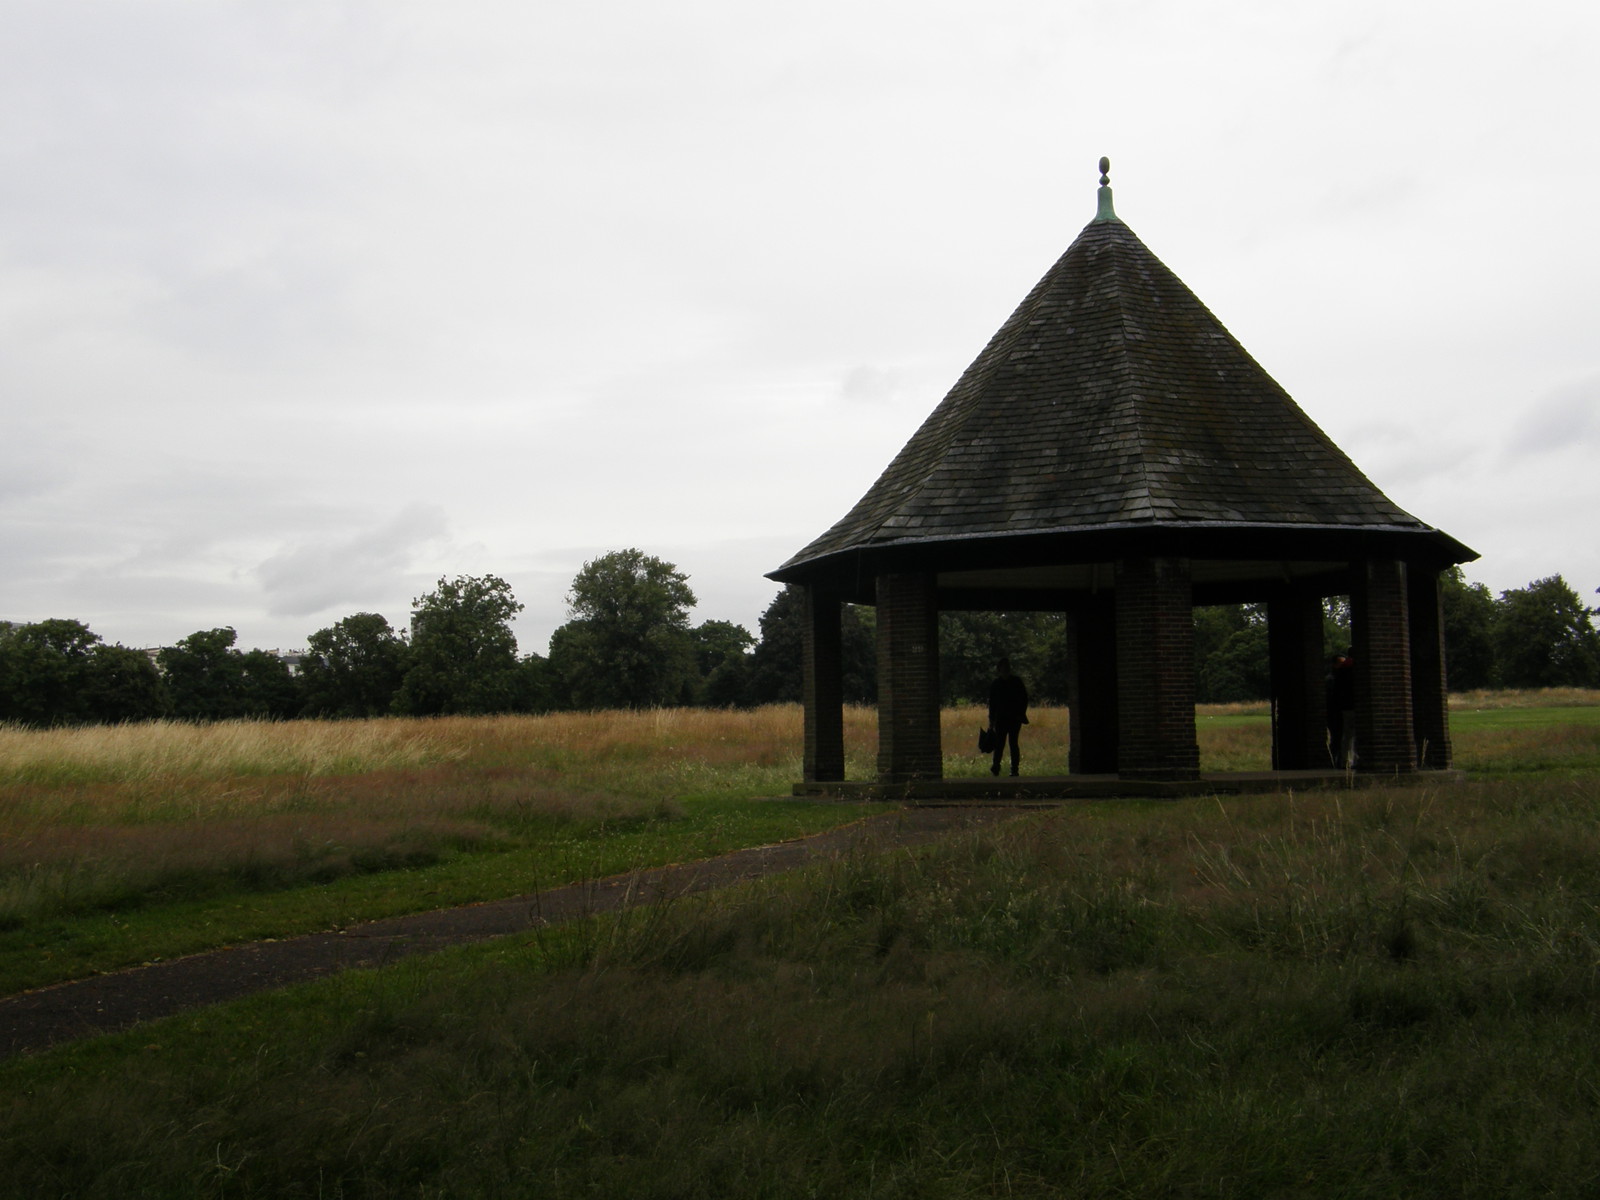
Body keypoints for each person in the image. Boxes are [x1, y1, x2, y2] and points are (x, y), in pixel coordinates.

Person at [987, 657, 1029, 777]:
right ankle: (996, 766)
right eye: (1004, 667)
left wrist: (1021, 713)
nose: (1006, 669)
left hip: (1014, 718)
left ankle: (1014, 769)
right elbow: (992, 704)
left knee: (1012, 743)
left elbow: (1024, 699)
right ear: (999, 669)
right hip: (1002, 718)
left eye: (1007, 666)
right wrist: (991, 720)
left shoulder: (1015, 682)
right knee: (1000, 744)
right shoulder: (997, 684)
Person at [1326, 649, 1356, 769]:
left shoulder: (1337, 676)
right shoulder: (1339, 676)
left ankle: (1342, 761)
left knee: (1343, 737)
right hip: (1341, 710)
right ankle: (1344, 761)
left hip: (1341, 710)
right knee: (1345, 736)